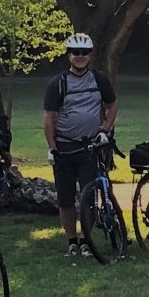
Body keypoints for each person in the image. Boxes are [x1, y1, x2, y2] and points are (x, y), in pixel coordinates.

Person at [43, 31, 117, 256]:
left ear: (91, 55)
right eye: (76, 52)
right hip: (64, 147)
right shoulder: (58, 83)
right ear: (69, 55)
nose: (80, 56)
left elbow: (112, 105)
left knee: (89, 196)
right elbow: (49, 117)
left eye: (84, 53)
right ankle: (71, 241)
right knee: (65, 199)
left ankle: (86, 240)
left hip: (90, 147)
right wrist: (52, 147)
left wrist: (104, 130)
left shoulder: (99, 79)